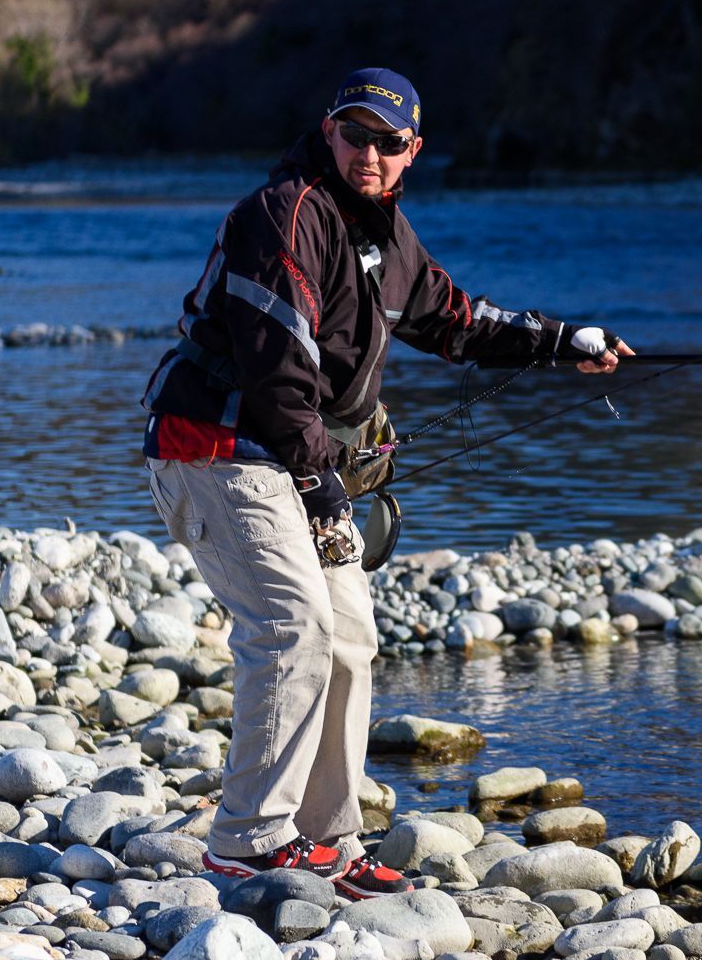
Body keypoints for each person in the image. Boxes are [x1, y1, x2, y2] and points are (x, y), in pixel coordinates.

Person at [140, 67, 632, 899]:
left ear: (413, 152)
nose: (369, 152)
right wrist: (325, 485)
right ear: (328, 133)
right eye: (355, 134)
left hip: (287, 458)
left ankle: (324, 841)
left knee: (350, 637)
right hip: (213, 447)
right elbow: (277, 374)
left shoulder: (390, 241)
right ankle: (248, 843)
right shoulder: (283, 214)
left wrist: (561, 340)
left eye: (387, 141)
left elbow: (460, 322)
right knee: (292, 626)